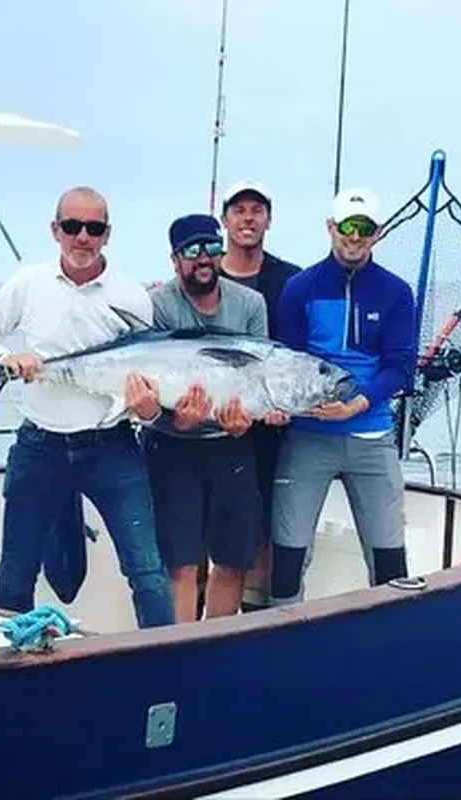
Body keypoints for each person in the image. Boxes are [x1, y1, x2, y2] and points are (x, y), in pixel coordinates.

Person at [0, 186, 175, 629]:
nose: (83, 237)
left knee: (148, 572)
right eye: (72, 227)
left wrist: (148, 408)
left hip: (112, 447)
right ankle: (10, 668)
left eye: (93, 228)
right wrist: (5, 358)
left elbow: (149, 379)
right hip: (39, 446)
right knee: (15, 571)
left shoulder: (133, 295)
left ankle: (163, 668)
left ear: (107, 234)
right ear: (55, 230)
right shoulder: (28, 283)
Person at [131, 212, 287, 623]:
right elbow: (152, 394)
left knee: (233, 559)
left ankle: (215, 651)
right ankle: (178, 655)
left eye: (212, 247)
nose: (204, 258)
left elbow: (257, 379)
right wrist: (178, 421)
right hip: (171, 447)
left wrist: (245, 422)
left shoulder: (251, 304)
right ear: (175, 259)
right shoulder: (158, 303)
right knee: (181, 563)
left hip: (231, 445)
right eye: (192, 250)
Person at [269, 187, 417, 606]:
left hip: (372, 437)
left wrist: (357, 404)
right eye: (347, 227)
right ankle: (283, 639)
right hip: (307, 437)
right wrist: (286, 409)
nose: (355, 237)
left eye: (364, 228)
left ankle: (392, 640)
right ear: (330, 227)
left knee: (389, 558)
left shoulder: (396, 292)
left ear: (378, 233)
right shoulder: (300, 288)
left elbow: (399, 366)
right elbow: (286, 361)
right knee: (288, 555)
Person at [217, 180, 302, 611]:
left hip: (270, 424)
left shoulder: (291, 280)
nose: (248, 218)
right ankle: (191, 629)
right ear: (225, 219)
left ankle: (256, 619)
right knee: (204, 533)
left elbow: (300, 349)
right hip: (210, 427)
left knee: (265, 530)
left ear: (269, 219)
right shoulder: (203, 272)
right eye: (239, 210)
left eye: (257, 210)